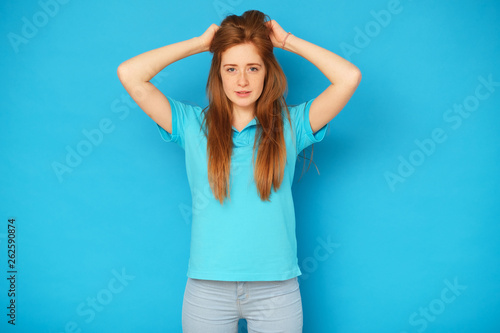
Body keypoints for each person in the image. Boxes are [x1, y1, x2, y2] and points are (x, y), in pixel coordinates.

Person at [117, 9, 361, 333]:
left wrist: (287, 42)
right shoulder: (192, 125)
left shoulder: (292, 125)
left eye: (252, 68)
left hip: (277, 288)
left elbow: (349, 78)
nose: (242, 80)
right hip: (207, 288)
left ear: (266, 72)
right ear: (218, 73)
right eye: (230, 68)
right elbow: (130, 74)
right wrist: (200, 44)